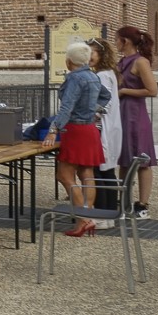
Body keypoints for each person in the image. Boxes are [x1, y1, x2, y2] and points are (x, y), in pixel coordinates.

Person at [41, 41, 110, 233]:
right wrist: (94, 111)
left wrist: (53, 129)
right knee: (87, 174)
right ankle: (89, 216)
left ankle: (83, 218)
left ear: (69, 61)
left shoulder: (75, 78)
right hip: (90, 129)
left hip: (75, 130)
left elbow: (67, 107)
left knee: (64, 175)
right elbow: (106, 96)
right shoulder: (93, 76)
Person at [115, 26, 158, 217]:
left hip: (136, 115)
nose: (115, 43)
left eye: (117, 39)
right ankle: (124, 201)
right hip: (122, 113)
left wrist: (124, 91)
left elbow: (152, 90)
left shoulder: (140, 62)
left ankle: (143, 204)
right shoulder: (121, 62)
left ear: (125, 41)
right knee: (124, 160)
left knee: (143, 160)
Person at [87, 38, 123, 220]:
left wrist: (90, 115)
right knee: (107, 171)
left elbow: (103, 103)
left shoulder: (101, 75)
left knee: (97, 171)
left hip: (103, 128)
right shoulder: (109, 73)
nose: (88, 57)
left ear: (101, 54)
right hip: (111, 126)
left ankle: (102, 212)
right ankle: (110, 211)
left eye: (91, 53)